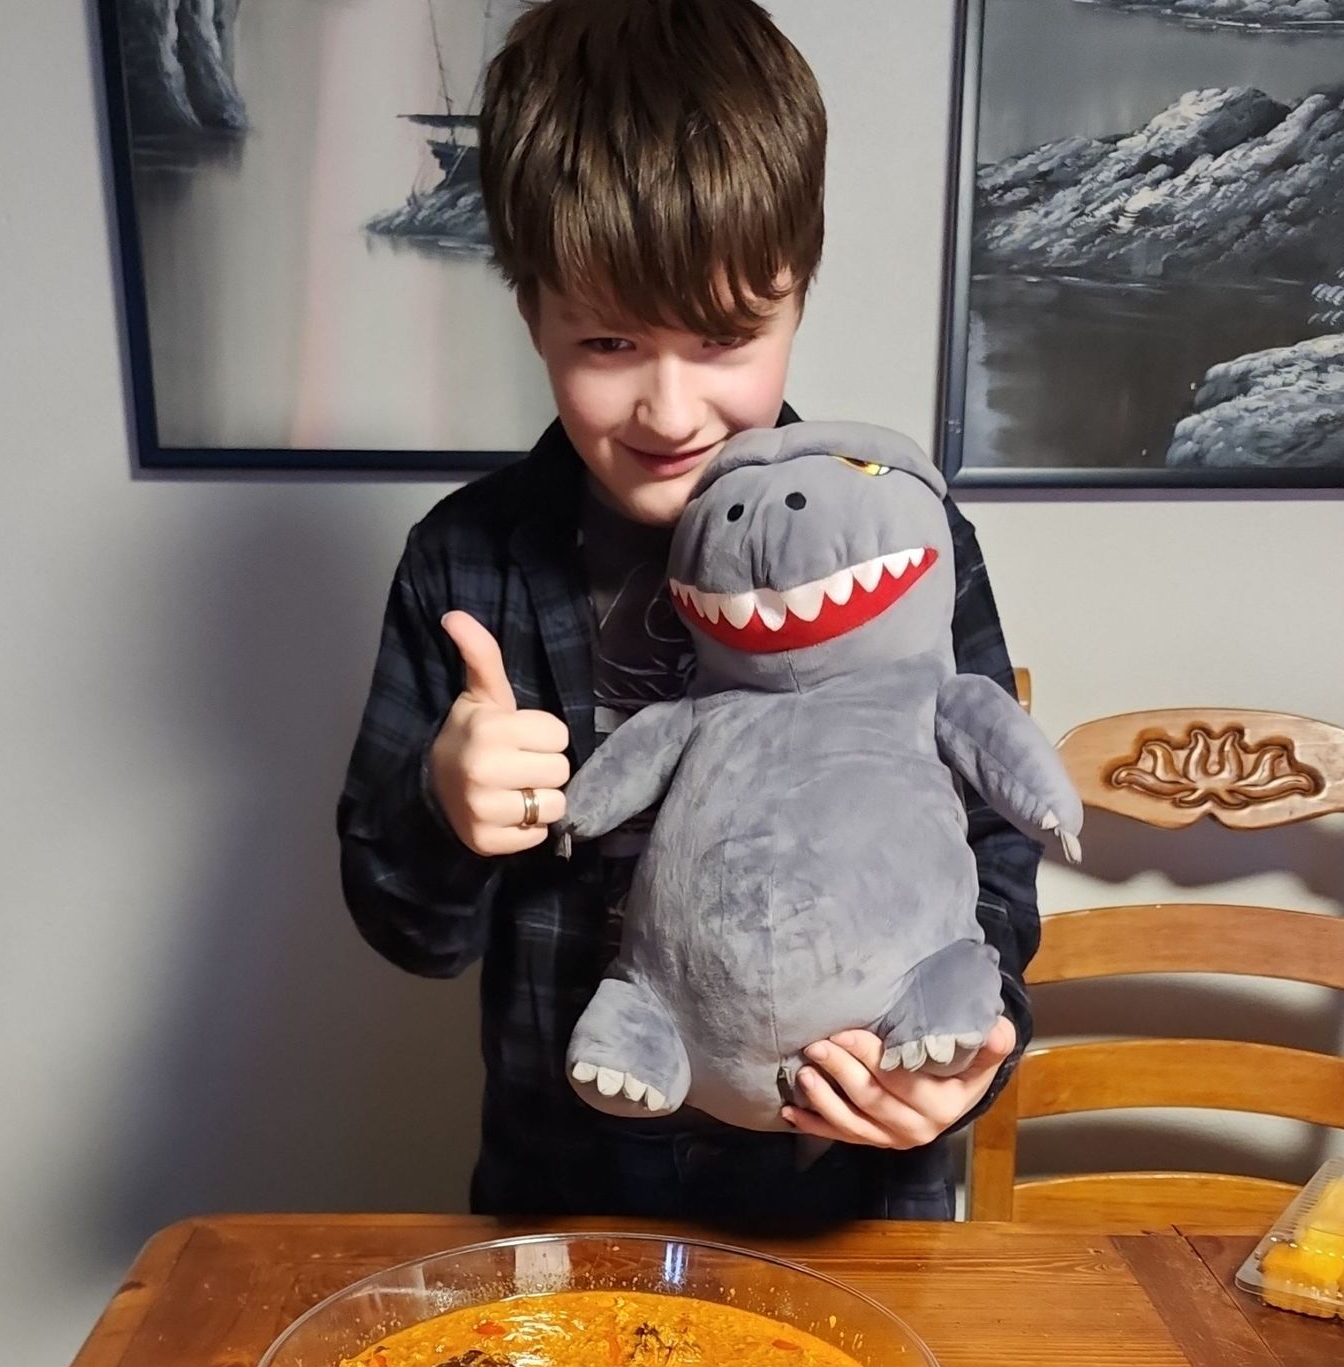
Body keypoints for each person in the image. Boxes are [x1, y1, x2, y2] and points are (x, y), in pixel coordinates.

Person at [337, 0, 1040, 1226]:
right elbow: (410, 931)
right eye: (608, 340)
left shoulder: (907, 539)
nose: (670, 410)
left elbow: (995, 862)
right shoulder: (466, 559)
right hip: (565, 1199)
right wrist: (448, 810)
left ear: (797, 295)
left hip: (858, 1198)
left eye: (724, 338)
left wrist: (972, 1057)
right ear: (530, 310)